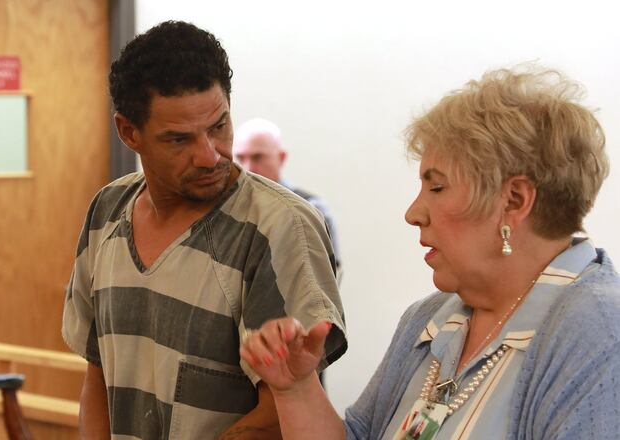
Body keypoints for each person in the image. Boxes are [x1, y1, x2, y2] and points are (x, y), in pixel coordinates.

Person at [241, 66, 620, 439]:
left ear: (514, 200)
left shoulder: (597, 329)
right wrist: (296, 388)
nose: (413, 213)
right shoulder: (428, 319)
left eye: (436, 188)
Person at [61, 21, 347, 440]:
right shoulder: (107, 212)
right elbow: (98, 377)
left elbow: (284, 407)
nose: (209, 156)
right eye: (179, 140)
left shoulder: (277, 226)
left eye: (219, 126)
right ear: (129, 133)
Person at [233, 118, 342, 279]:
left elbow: (326, 276)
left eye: (258, 157)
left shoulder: (310, 210)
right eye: (241, 158)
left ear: (281, 158)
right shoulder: (227, 208)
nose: (248, 168)